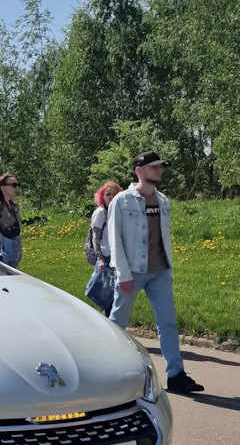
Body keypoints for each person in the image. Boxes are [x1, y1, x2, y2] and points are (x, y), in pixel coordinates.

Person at [107, 151, 203, 395]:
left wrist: (169, 270)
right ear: (139, 170)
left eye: (160, 167)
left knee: (168, 323)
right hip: (133, 272)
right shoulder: (122, 201)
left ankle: (176, 375)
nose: (159, 170)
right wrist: (123, 273)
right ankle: (108, 371)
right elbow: (114, 239)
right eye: (154, 167)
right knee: (118, 323)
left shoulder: (162, 200)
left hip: (160, 271)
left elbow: (164, 237)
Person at [85, 181, 121, 314]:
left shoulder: (119, 212)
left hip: (118, 257)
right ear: (103, 196)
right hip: (106, 257)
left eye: (114, 194)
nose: (111, 197)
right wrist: (99, 258)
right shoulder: (101, 212)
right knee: (106, 299)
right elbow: (96, 237)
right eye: (108, 194)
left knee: (115, 297)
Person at [0, 173, 22, 268]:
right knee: (0, 274)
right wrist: (5, 243)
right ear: (3, 188)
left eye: (17, 185)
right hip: (2, 246)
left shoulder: (13, 205)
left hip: (15, 243)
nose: (16, 188)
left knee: (12, 275)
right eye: (13, 185)